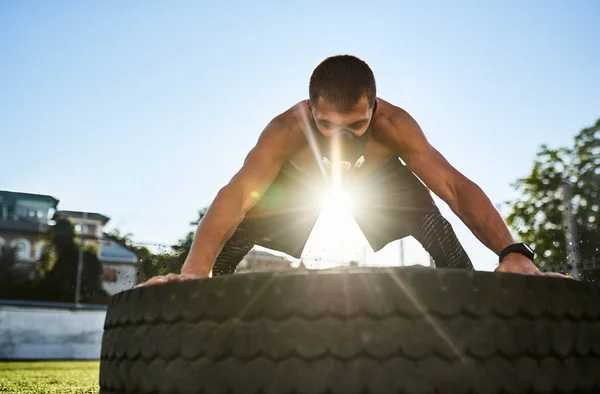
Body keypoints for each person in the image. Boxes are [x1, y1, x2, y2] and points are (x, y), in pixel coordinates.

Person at [137, 54, 569, 287]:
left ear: (374, 107)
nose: (340, 136)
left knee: (446, 246)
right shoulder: (287, 129)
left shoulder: (395, 125)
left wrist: (512, 252)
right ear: (310, 109)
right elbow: (238, 192)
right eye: (327, 125)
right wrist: (195, 269)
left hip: (381, 181)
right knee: (226, 251)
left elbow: (453, 187)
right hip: (299, 184)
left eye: (356, 124)